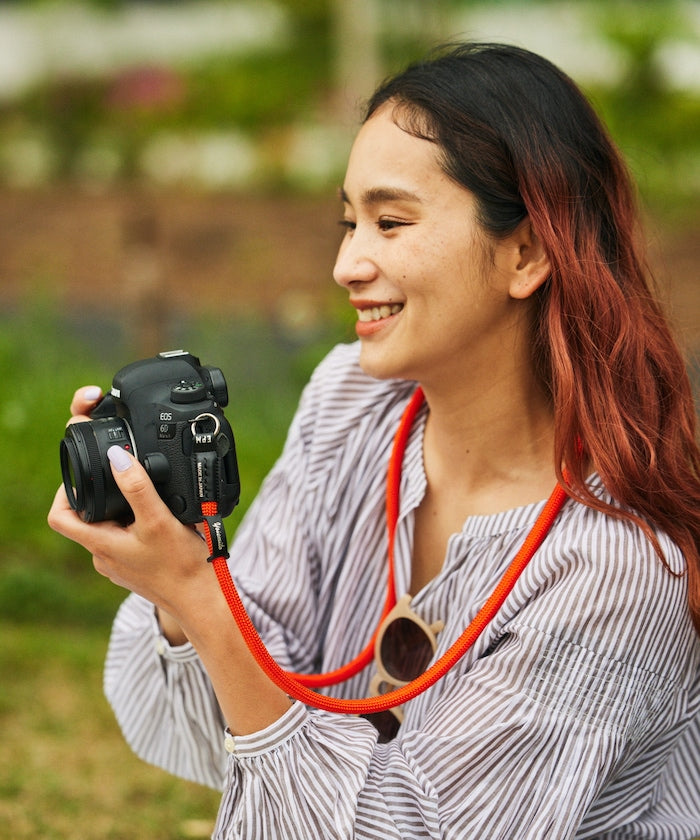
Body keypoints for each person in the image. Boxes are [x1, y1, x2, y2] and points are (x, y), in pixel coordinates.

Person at [48, 42, 700, 839]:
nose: (346, 263)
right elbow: (217, 739)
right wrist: (179, 565)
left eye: (390, 222)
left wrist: (196, 595)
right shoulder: (353, 401)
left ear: (526, 252)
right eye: (349, 222)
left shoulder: (617, 571)